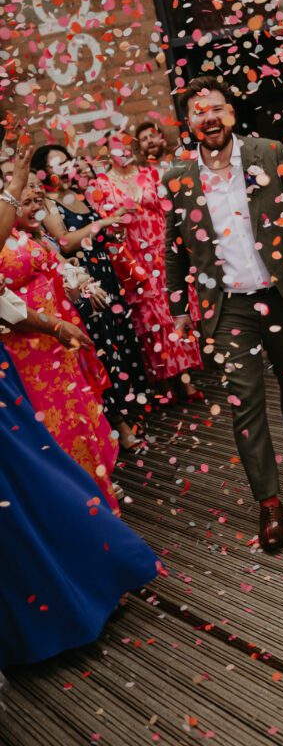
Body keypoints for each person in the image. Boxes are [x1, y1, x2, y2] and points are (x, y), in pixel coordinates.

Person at [0, 139, 157, 674]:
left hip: (44, 350)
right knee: (40, 472)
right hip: (21, 358)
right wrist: (15, 182)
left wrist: (60, 317)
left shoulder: (24, 225)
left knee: (65, 456)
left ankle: (95, 562)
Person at [162, 75, 283, 553]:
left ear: (231, 112)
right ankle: (269, 501)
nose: (209, 117)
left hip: (278, 294)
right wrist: (178, 308)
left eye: (216, 107)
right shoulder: (177, 177)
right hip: (228, 307)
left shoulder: (268, 152)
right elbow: (175, 250)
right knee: (245, 403)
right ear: (190, 121)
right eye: (199, 111)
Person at [0, 175, 120, 512]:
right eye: (25, 203)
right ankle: (75, 503)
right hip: (27, 348)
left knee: (79, 415)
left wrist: (83, 284)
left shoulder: (28, 236)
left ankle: (98, 493)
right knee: (53, 426)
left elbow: (62, 268)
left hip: (59, 342)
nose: (34, 208)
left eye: (37, 202)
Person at [31, 143, 152, 448]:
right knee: (102, 346)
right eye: (56, 164)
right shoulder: (47, 204)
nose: (65, 167)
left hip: (105, 270)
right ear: (43, 172)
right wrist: (103, 223)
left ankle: (133, 408)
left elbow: (92, 233)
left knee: (122, 338)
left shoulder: (80, 196)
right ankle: (118, 424)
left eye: (66, 161)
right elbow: (65, 242)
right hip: (82, 277)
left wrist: (111, 233)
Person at [91, 130, 203, 404]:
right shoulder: (101, 184)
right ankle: (164, 383)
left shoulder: (151, 174)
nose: (124, 150)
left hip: (162, 251)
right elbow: (102, 226)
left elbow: (169, 209)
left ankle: (187, 382)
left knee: (173, 313)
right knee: (151, 323)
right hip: (132, 257)